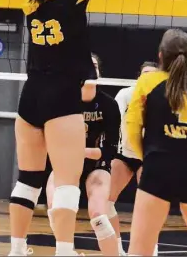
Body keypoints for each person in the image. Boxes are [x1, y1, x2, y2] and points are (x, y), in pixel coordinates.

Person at [9, 0, 100, 257]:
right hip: (63, 97)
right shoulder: (76, 0)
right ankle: (64, 251)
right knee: (65, 180)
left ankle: (16, 248)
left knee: (28, 180)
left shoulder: (32, 3)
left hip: (30, 97)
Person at [126, 28, 187, 256]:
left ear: (160, 57)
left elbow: (131, 125)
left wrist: (146, 159)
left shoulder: (147, 82)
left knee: (139, 251)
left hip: (157, 168)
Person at [46, 54, 121, 256]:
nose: (89, 69)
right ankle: (66, 252)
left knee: (98, 216)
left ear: (99, 73)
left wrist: (83, 152)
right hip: (66, 163)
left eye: (94, 65)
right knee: (56, 210)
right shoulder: (63, 103)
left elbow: (110, 150)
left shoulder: (109, 106)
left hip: (96, 164)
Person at [108, 61, 158, 256]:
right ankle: (118, 249)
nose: (147, 77)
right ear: (138, 76)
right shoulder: (126, 94)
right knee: (106, 200)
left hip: (148, 157)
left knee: (148, 205)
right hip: (125, 153)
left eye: (152, 74)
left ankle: (151, 249)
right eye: (144, 73)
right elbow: (115, 121)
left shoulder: (163, 99)